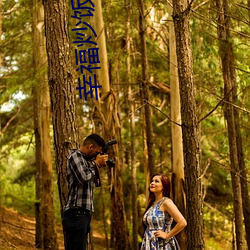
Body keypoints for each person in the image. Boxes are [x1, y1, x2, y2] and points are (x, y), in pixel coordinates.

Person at [62, 134, 109, 250]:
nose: (97, 156)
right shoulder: (75, 156)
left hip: (83, 214)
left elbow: (95, 182)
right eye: (97, 152)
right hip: (76, 213)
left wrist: (97, 167)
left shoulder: (86, 162)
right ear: (90, 147)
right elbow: (84, 177)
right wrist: (96, 164)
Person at [141, 173, 187, 250]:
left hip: (162, 245)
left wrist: (167, 235)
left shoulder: (166, 202)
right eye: (152, 181)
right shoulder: (152, 204)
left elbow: (182, 222)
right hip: (149, 244)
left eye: (156, 181)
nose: (152, 183)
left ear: (164, 187)